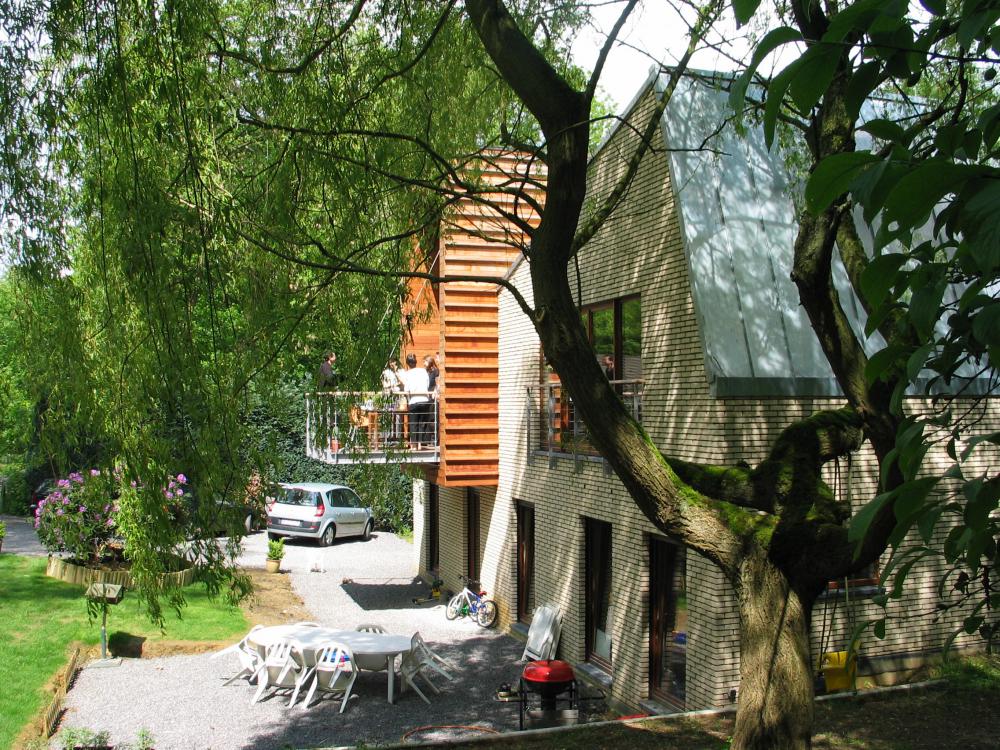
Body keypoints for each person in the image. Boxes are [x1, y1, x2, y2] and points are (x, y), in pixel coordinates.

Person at [399, 353, 431, 449]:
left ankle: (413, 446)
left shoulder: (407, 374)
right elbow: (427, 384)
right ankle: (420, 445)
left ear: (408, 363)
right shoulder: (423, 371)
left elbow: (407, 389)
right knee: (421, 423)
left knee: (413, 423)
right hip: (424, 400)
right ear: (416, 362)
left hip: (414, 400)